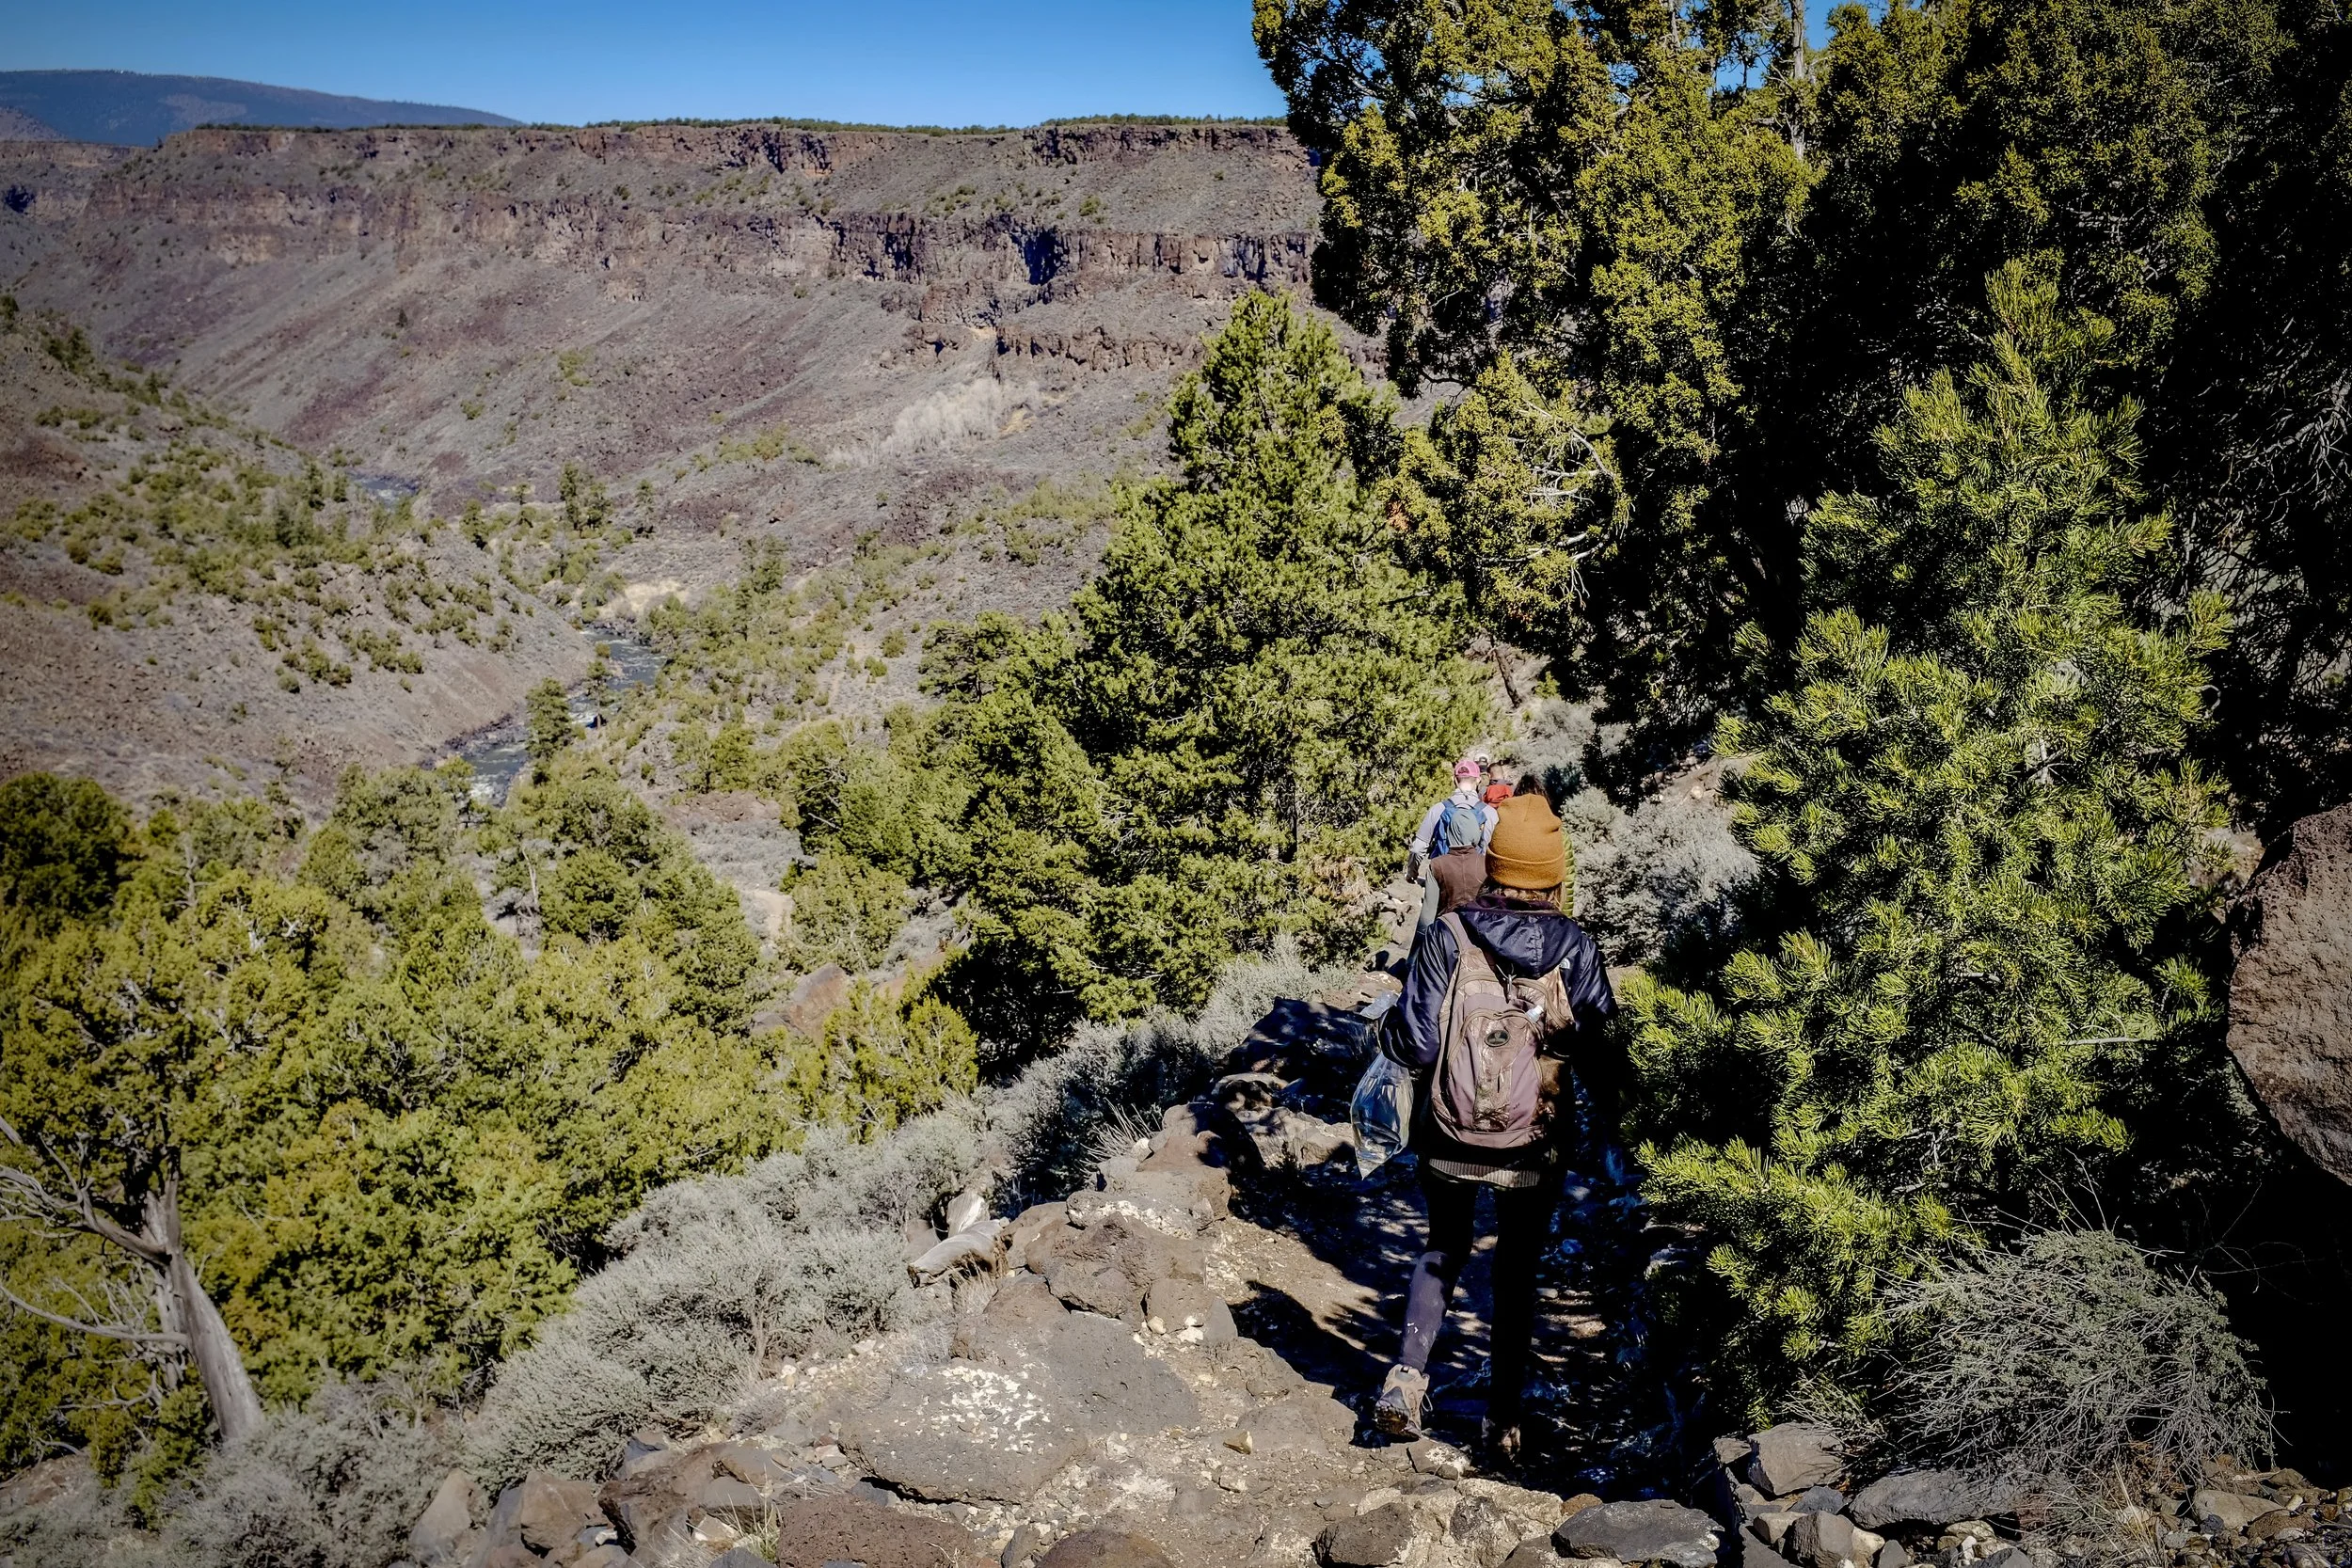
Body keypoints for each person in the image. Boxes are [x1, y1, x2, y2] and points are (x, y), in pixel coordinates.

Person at [1371, 791, 1617, 1463]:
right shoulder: (1578, 949)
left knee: (1443, 1245)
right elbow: (1602, 1050)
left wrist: (1382, 1027)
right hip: (1535, 1143)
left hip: (1449, 1137)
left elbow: (1418, 1043)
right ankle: (1502, 1422)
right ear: (1556, 873)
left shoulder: (1450, 934)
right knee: (1515, 1271)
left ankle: (1406, 1380)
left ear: (1495, 862)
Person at [1408, 758, 1498, 929]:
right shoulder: (1489, 813)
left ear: (1454, 780)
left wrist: (1412, 873)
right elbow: (1490, 851)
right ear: (1478, 780)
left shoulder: (1438, 809)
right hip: (1477, 882)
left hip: (1443, 879)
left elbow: (1418, 848)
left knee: (1432, 928)